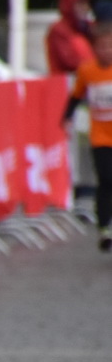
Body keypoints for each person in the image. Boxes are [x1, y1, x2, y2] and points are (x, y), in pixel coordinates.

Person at [66, 21, 112, 251]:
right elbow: (75, 96)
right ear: (94, 49)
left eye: (110, 46)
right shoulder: (87, 71)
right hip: (101, 137)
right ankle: (104, 228)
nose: (107, 51)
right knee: (105, 180)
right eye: (102, 47)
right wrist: (67, 117)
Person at [47, 0, 94, 76]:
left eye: (86, 3)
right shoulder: (58, 30)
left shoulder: (87, 26)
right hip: (65, 82)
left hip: (87, 80)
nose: (85, 8)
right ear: (68, 4)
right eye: (80, 4)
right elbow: (70, 62)